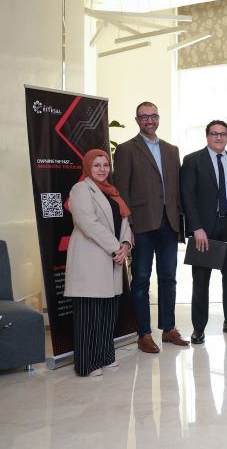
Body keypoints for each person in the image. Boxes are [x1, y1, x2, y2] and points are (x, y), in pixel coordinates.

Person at [113, 101, 188, 354]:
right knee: (142, 279)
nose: (150, 121)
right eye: (144, 117)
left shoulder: (171, 150)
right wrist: (127, 226)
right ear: (137, 120)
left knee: (169, 278)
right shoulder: (126, 149)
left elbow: (177, 187)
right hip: (141, 225)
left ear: (158, 118)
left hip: (169, 222)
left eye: (153, 116)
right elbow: (121, 190)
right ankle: (143, 333)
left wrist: (181, 220)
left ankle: (168, 328)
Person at [180, 120, 227, 344]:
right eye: (214, 134)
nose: (218, 137)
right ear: (207, 136)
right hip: (204, 230)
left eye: (222, 134)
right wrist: (196, 228)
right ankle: (198, 328)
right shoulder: (192, 160)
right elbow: (187, 196)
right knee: (201, 281)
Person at [65, 149, 132, 376]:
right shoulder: (80, 189)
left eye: (105, 165)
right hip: (91, 258)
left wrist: (125, 245)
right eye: (96, 165)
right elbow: (88, 223)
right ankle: (88, 363)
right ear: (87, 167)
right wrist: (116, 247)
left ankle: (105, 356)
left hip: (113, 258)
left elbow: (124, 222)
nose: (102, 169)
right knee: (89, 314)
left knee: (107, 313)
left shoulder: (112, 192)